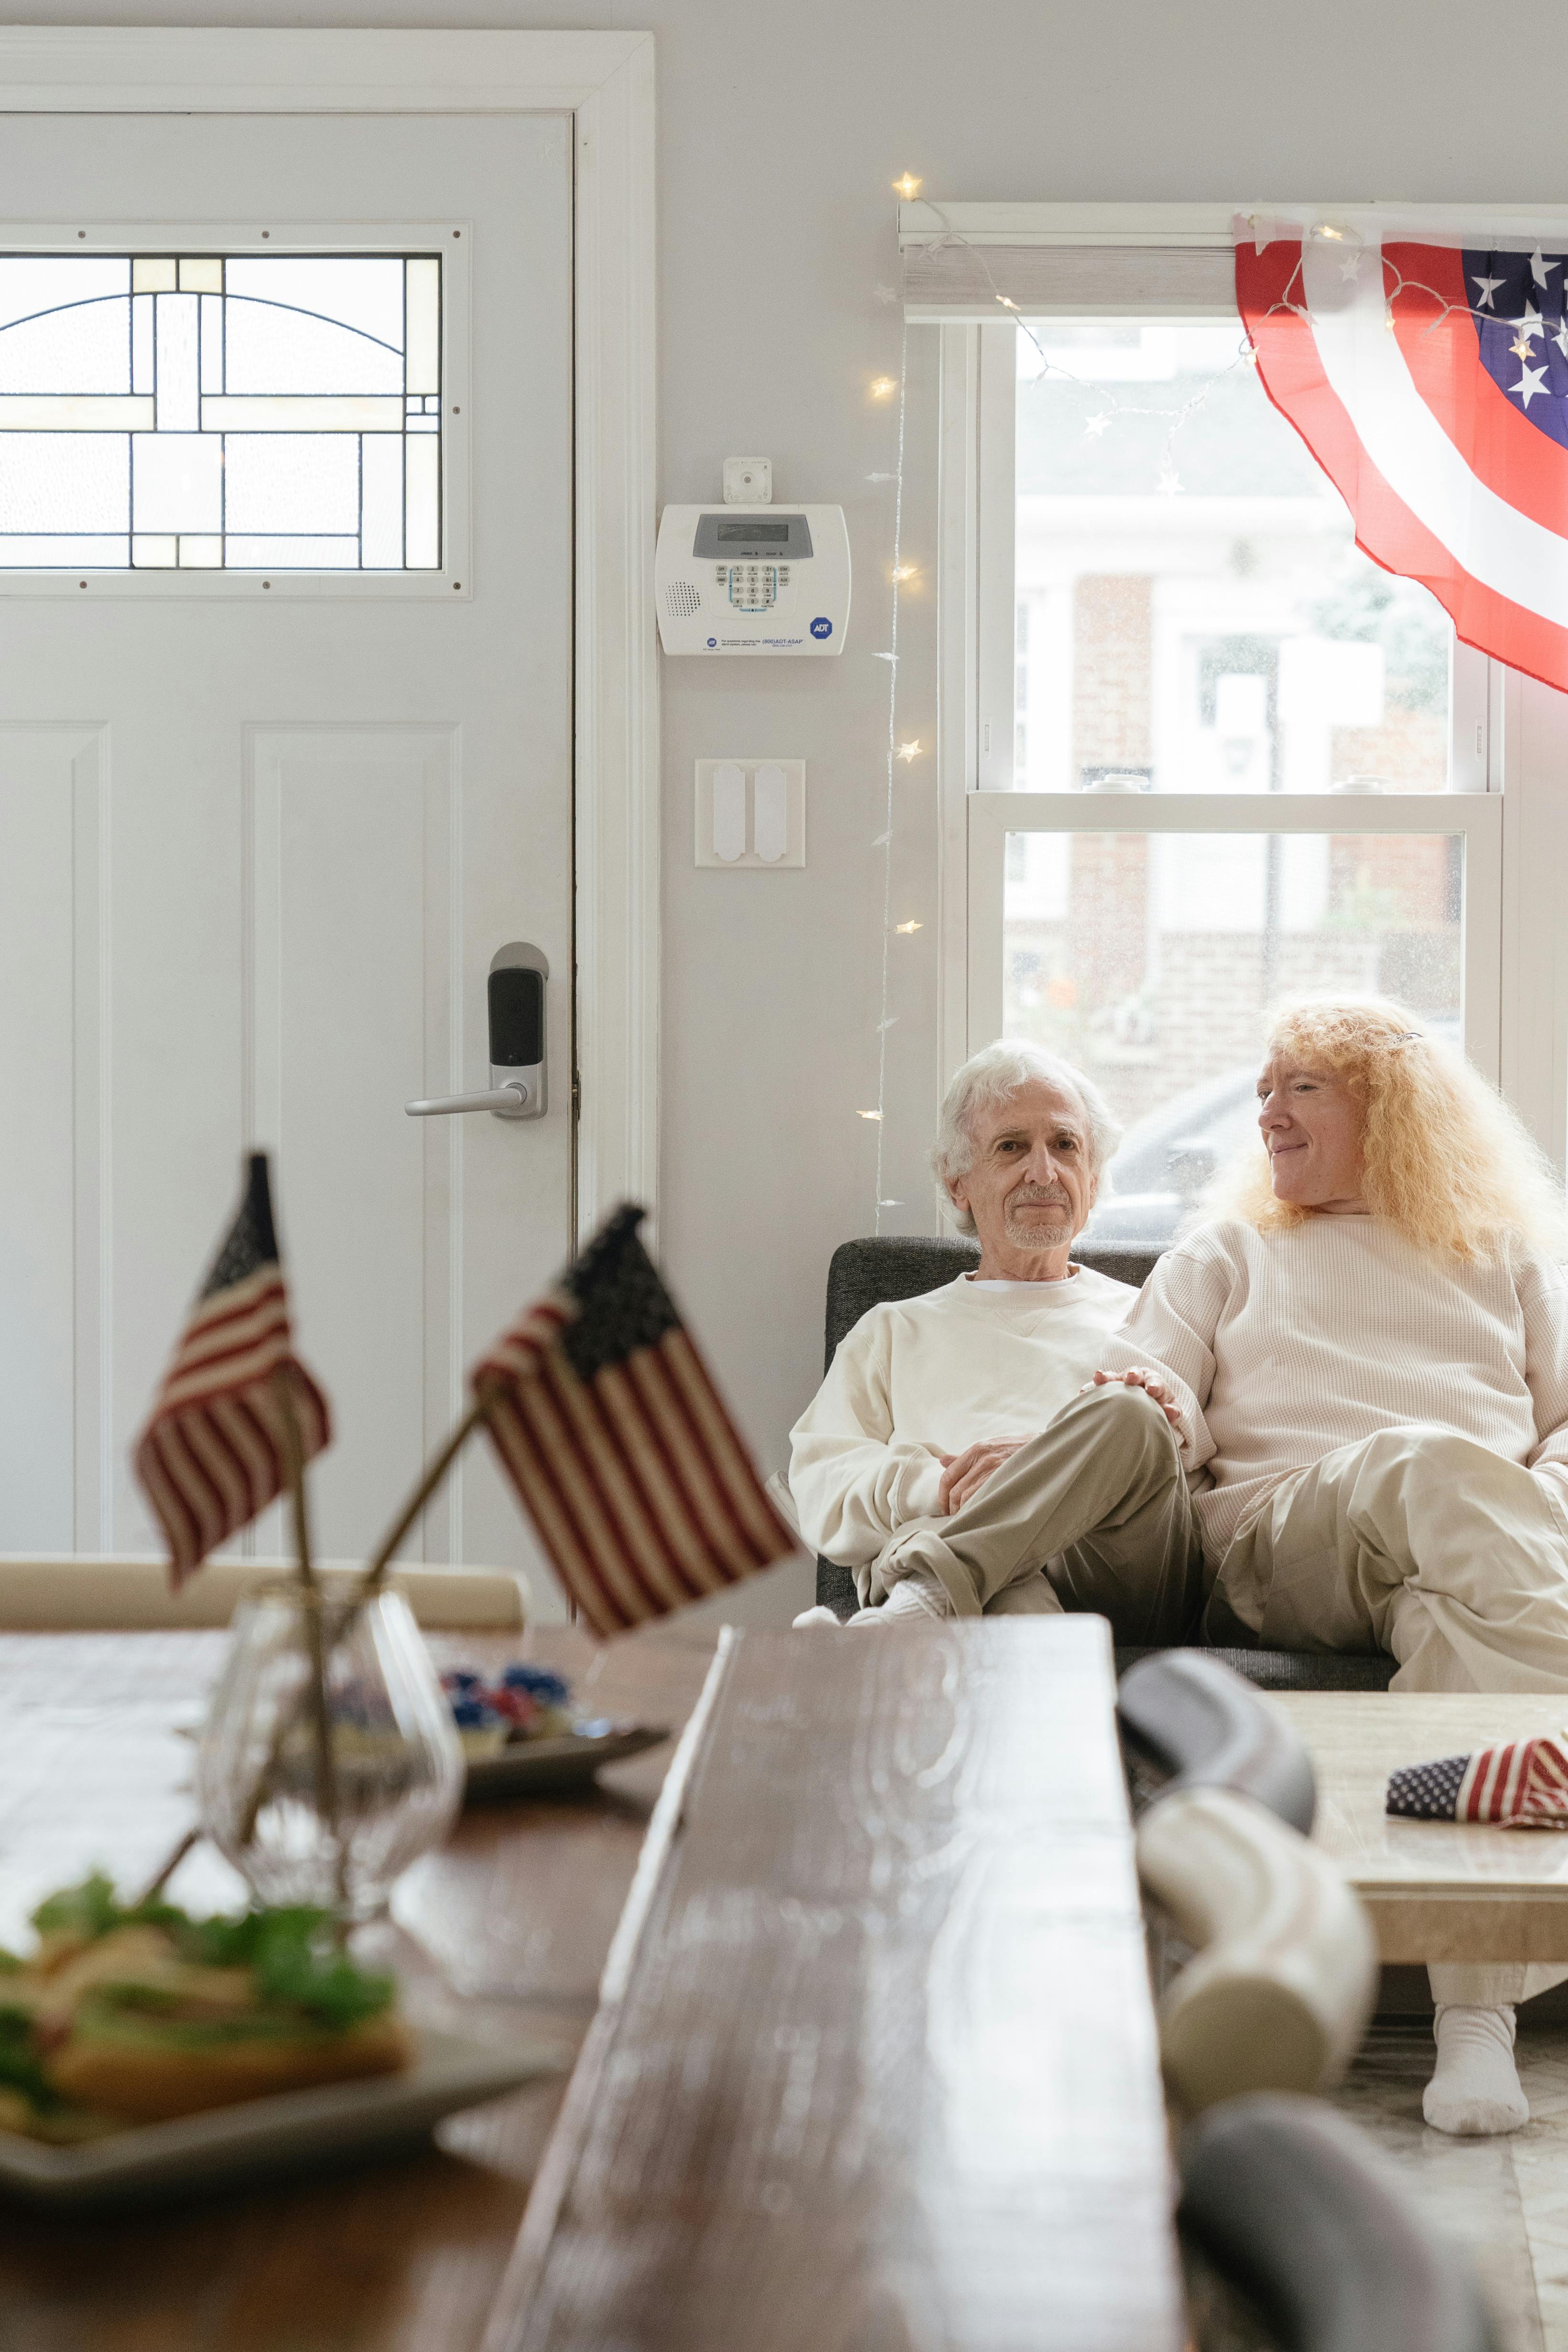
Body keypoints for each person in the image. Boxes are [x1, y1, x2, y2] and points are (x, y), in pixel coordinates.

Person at [868, 995, 1568, 2137]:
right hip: (1270, 1546)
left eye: (1302, 1085)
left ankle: (1474, 2015)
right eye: (1263, 1085)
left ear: (1389, 1109)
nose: (1266, 1106)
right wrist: (1164, 1408)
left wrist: (1524, 1510)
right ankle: (925, 1584)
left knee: (1462, 1598)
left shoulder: (1507, 1259)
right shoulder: (1232, 1247)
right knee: (1395, 1459)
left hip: (1447, 1559)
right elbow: (1147, 1389)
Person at [789, 1039, 1204, 1644]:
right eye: (1012, 1147)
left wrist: (1054, 1464)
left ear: (1092, 1177)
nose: (1044, 1171)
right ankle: (953, 1594)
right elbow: (821, 1489)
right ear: (958, 1183)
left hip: (1117, 1576)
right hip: (983, 1582)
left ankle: (910, 1609)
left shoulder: (1153, 1310)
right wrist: (941, 1484)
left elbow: (1200, 1492)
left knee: (1127, 1409)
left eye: (1065, 1145)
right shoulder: (893, 1329)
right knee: (1000, 1577)